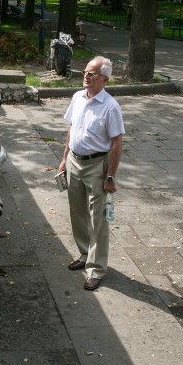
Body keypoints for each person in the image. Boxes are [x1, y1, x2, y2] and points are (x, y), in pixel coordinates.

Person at [57, 56, 125, 291]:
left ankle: (96, 269)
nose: (86, 76)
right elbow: (71, 129)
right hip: (75, 161)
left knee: (99, 219)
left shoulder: (110, 107)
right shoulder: (77, 98)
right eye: (85, 72)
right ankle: (85, 254)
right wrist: (65, 158)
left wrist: (110, 176)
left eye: (92, 73)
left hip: (97, 166)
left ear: (104, 79)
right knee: (77, 212)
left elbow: (117, 143)